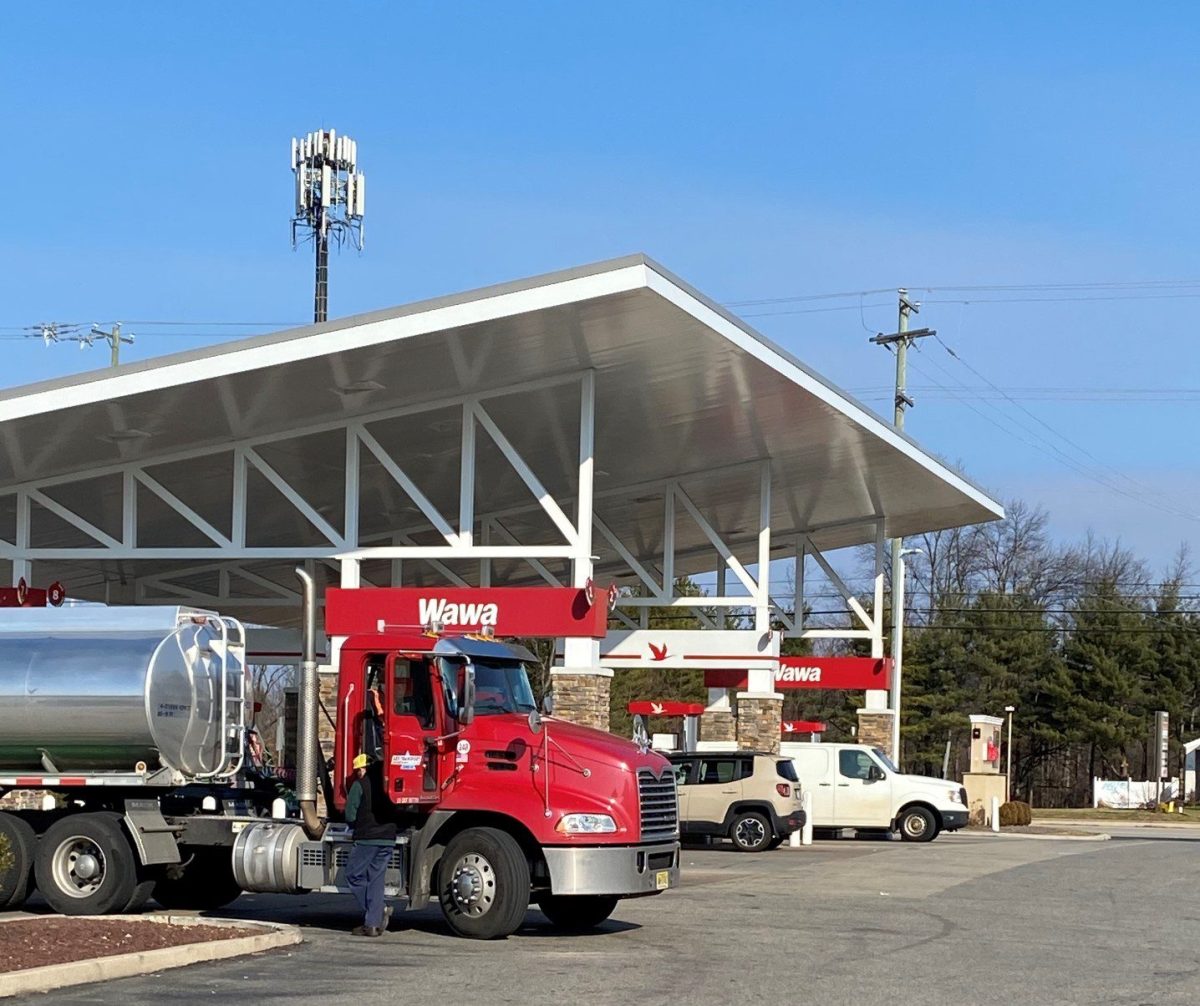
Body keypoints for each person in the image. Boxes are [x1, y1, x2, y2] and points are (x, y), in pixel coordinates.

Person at [343, 753, 397, 937]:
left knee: (353, 875)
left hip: (367, 838)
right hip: (388, 838)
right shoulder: (388, 784)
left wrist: (354, 825)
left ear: (364, 768)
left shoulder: (360, 785)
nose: (358, 773)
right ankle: (372, 925)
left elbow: (350, 815)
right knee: (376, 879)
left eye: (359, 770)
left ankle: (378, 911)